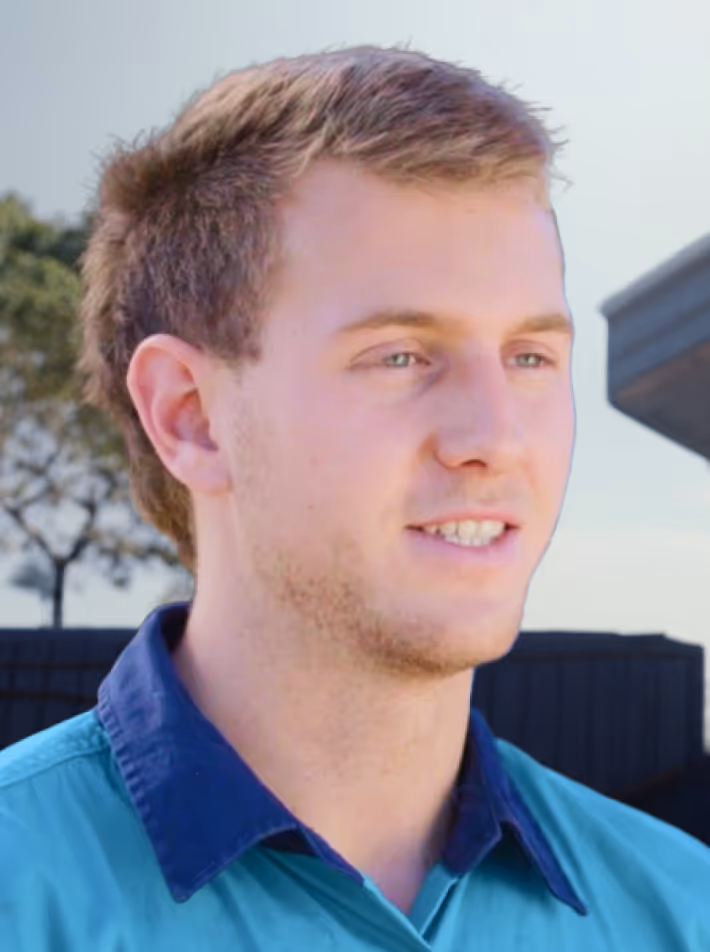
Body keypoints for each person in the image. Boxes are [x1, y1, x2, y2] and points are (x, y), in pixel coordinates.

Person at [1, 45, 708, 950]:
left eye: (530, 357)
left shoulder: (680, 912)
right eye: (402, 356)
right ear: (191, 416)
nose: (495, 439)